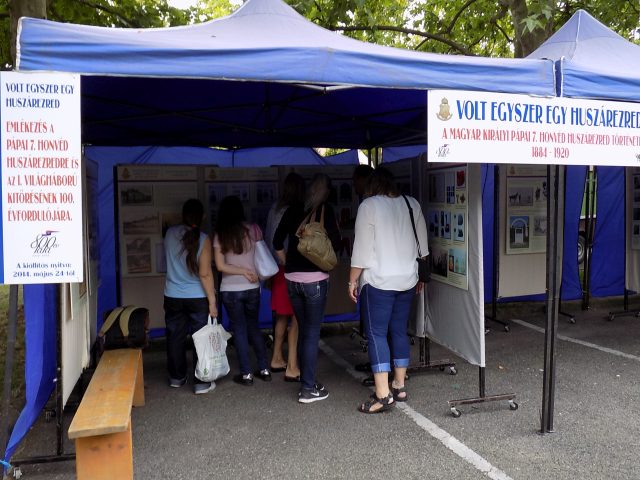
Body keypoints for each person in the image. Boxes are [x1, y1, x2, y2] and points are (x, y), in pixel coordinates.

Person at [348, 167, 428, 413]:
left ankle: (382, 395)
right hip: (407, 279)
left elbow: (361, 250)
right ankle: (399, 386)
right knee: (399, 331)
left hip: (378, 281)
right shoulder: (411, 203)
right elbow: (423, 246)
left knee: (377, 334)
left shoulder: (369, 206)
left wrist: (352, 281)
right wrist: (421, 274)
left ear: (372, 186)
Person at [273, 173, 341, 404]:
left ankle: (307, 380)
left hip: (292, 279)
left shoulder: (293, 209)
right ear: (326, 192)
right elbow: (336, 243)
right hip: (315, 281)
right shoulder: (326, 211)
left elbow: (276, 241)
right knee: (311, 332)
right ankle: (308, 388)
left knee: (303, 330)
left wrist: (287, 262)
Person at [213, 195, 271, 386]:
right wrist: (247, 272)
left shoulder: (220, 234)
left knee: (239, 329)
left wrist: (239, 271)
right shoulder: (253, 229)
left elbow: (220, 266)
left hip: (230, 289)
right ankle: (264, 368)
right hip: (252, 287)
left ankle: (246, 374)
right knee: (253, 326)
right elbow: (262, 256)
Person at [163, 198, 218, 395]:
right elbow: (205, 274)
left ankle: (176, 378)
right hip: (197, 296)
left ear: (182, 215)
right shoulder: (203, 239)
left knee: (175, 337)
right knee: (200, 339)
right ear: (203, 217)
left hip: (172, 295)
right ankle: (201, 382)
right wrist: (212, 301)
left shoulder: (169, 234)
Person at [264, 172, 305, 380]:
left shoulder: (275, 208)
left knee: (281, 315)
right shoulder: (297, 210)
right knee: (296, 318)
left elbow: (269, 238)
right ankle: (292, 365)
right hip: (291, 267)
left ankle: (276, 357)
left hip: (276, 268)